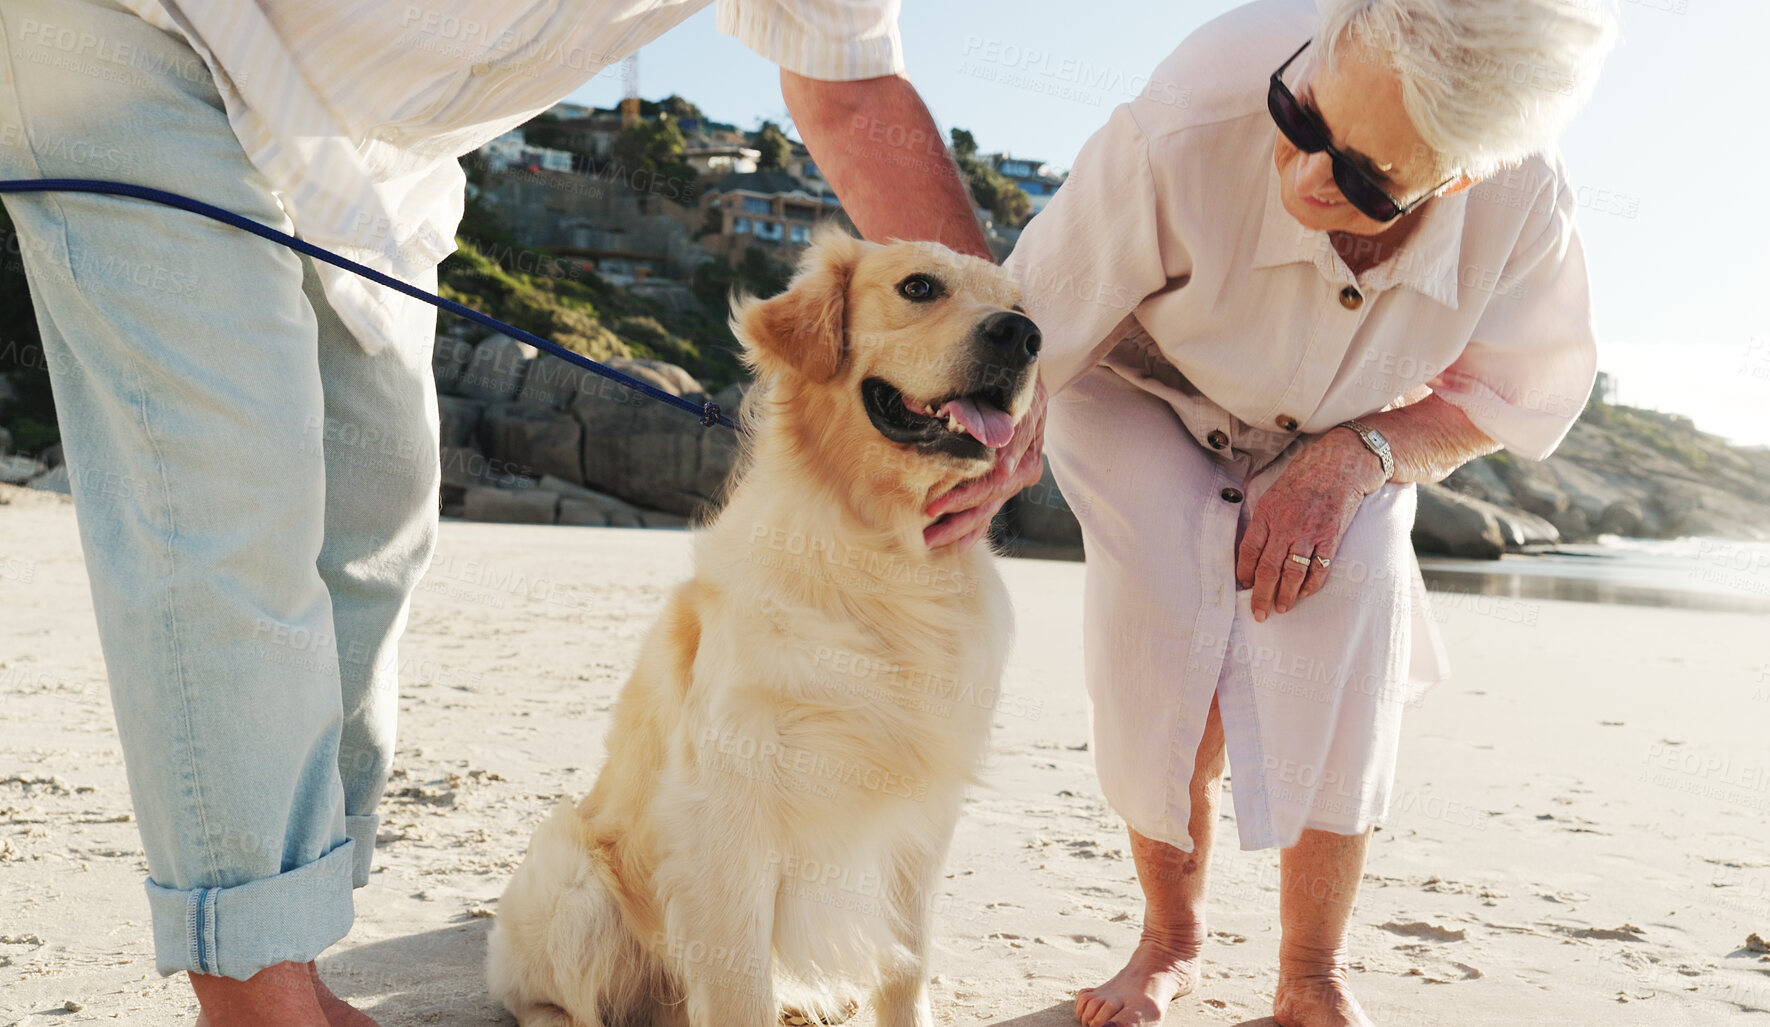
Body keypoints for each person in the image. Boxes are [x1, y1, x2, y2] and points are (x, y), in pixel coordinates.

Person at [0, 0, 1041, 1023]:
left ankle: (289, 950)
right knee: (233, 505)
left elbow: (852, 90)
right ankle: (253, 994)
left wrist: (998, 341)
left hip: (367, 155)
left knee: (374, 525)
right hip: (149, 37)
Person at [1000, 1, 1617, 1024]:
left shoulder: (1524, 200)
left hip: (1350, 428)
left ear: (1461, 176)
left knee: (1341, 629)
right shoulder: (1186, 116)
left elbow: (1510, 397)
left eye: (1370, 179)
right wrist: (967, 466)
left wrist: (1362, 453)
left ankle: (1311, 978)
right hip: (1142, 388)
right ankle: (1168, 942)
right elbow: (1031, 333)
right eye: (1301, 119)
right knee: (1161, 641)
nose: (1309, 178)